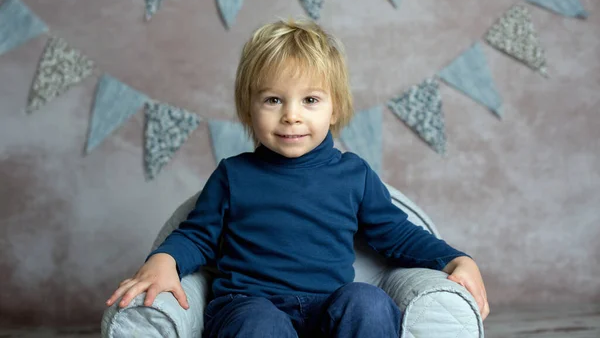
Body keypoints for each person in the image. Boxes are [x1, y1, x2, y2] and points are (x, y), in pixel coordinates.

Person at [106, 18, 489, 337]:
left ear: (334, 108)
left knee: (368, 302)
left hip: (328, 309)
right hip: (249, 306)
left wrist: (454, 258)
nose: (291, 115)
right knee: (259, 323)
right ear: (249, 107)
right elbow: (198, 235)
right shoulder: (234, 175)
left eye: (310, 100)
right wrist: (164, 259)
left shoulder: (353, 174)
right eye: (274, 100)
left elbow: (396, 234)